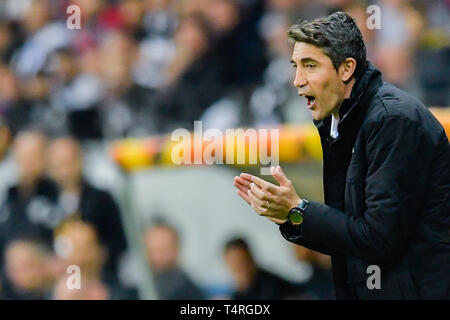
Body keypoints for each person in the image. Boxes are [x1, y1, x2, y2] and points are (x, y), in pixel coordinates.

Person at [233, 11, 450, 299]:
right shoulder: (341, 121)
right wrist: (291, 217)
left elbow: (379, 240)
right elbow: (352, 237)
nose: (297, 80)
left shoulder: (394, 121)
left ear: (346, 69)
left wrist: (298, 212)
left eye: (309, 65)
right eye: (295, 66)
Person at [46, 137, 127, 279]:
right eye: (58, 164)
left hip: (100, 275)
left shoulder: (101, 199)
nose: (65, 171)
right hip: (60, 278)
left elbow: (120, 239)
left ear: (80, 161)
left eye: (69, 162)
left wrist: (98, 254)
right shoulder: (44, 200)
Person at [144, 221, 205, 300]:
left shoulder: (187, 291)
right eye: (151, 251)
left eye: (163, 250)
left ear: (177, 249)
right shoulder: (136, 285)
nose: (157, 257)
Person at [223, 237, 296, 300]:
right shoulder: (238, 294)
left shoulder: (273, 286)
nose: (239, 267)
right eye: (234, 263)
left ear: (251, 258)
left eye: (242, 261)